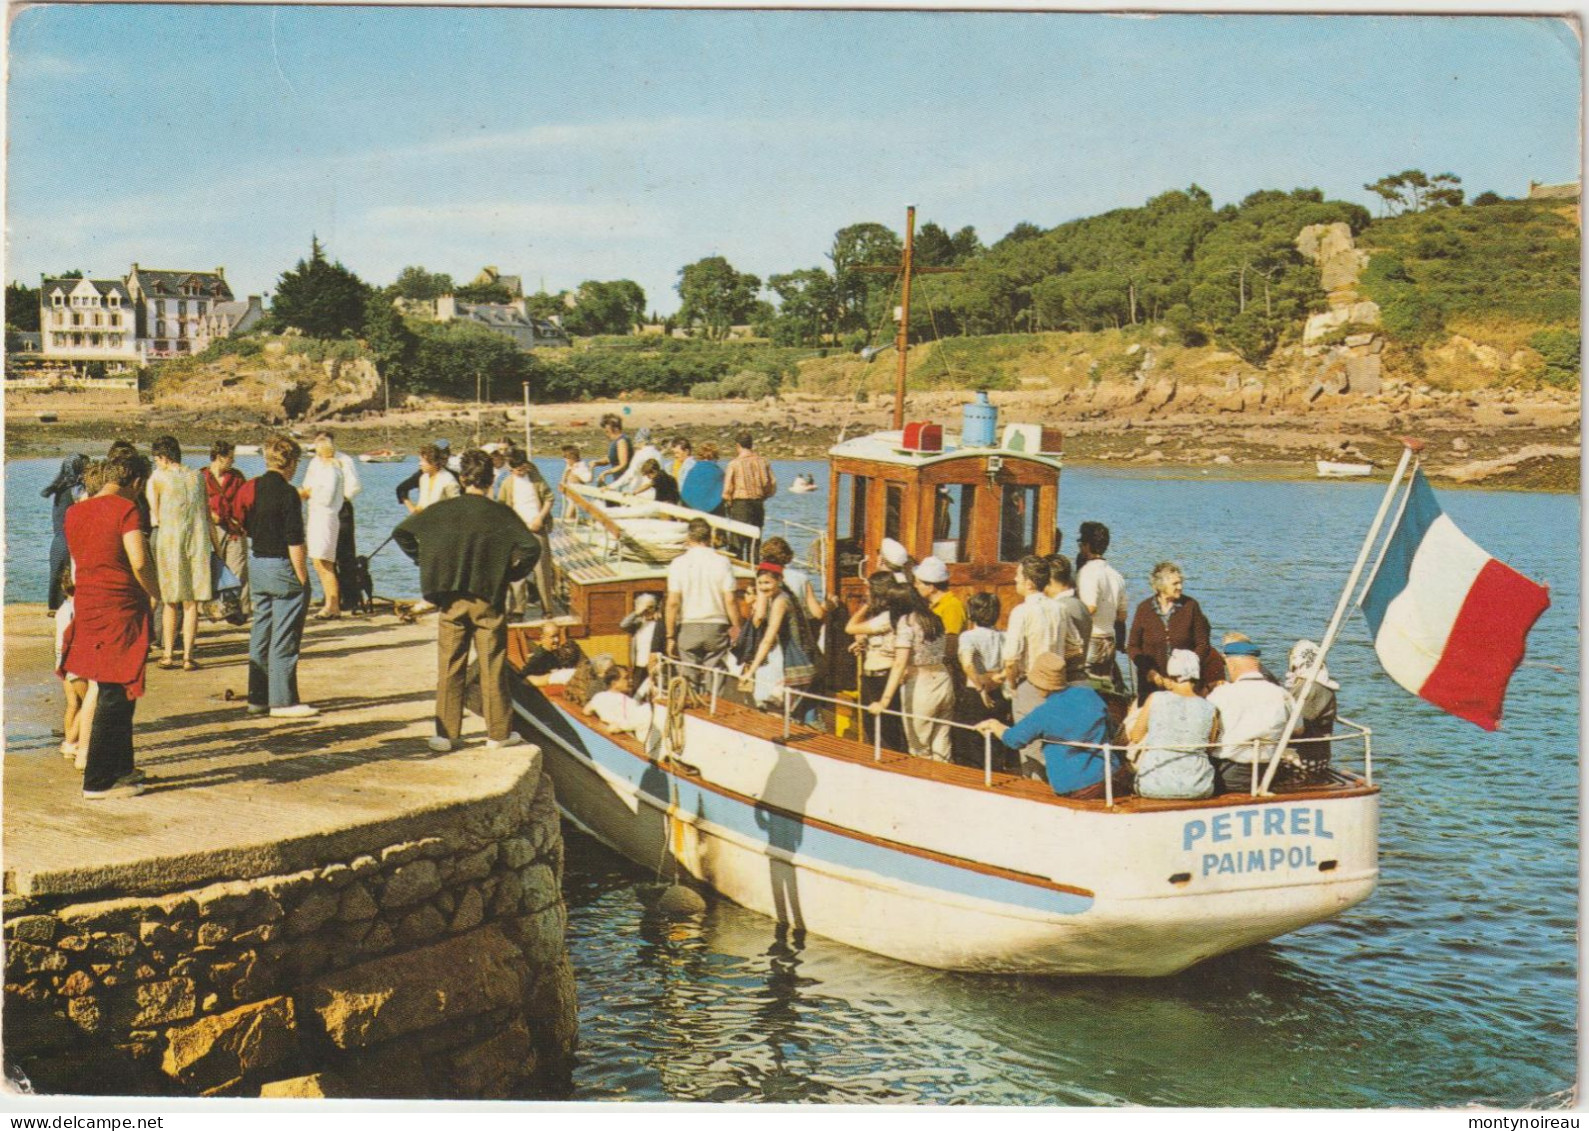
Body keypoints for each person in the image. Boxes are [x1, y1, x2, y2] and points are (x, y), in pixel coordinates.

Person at [394, 448, 541, 753]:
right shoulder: (501, 513)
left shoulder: (443, 510)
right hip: (488, 598)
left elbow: (403, 533)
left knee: (449, 666)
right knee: (493, 665)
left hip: (452, 599)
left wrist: (426, 561)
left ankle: (445, 735)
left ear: (462, 478)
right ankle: (498, 734)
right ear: (490, 480)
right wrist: (510, 574)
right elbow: (530, 547)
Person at [61, 451, 159, 799]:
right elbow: (138, 560)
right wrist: (156, 592)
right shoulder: (126, 509)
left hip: (88, 606)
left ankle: (122, 769)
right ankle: (99, 781)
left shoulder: (74, 512)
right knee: (117, 690)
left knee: (113, 687)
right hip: (121, 607)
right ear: (136, 482)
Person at [245, 435, 317, 719]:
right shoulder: (289, 493)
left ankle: (257, 698)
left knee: (261, 633)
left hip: (257, 564)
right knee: (284, 637)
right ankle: (283, 701)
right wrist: (303, 577)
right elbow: (294, 540)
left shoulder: (254, 487)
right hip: (281, 566)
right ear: (290, 462)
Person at [977, 652, 1113, 792]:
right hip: (1107, 776)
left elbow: (1014, 740)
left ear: (1037, 684)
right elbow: (1110, 729)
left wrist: (994, 724)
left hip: (1075, 787)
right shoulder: (1089, 694)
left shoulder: (1044, 712)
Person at [148, 436, 216, 670]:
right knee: (191, 603)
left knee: (170, 602)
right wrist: (217, 548)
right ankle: (188, 656)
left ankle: (168, 654)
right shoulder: (198, 477)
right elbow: (208, 515)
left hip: (170, 543)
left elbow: (154, 516)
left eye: (157, 459)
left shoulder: (158, 477)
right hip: (198, 543)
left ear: (164, 458)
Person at [867, 582, 952, 762]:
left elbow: (899, 663)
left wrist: (884, 701)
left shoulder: (906, 623)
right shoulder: (935, 618)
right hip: (943, 679)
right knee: (941, 744)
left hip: (921, 685)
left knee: (919, 747)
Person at [1126, 561, 1224, 704]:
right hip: (1151, 684)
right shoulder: (1144, 609)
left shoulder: (1191, 606)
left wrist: (1188, 671)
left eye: (1181, 583)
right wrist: (1149, 672)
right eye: (1175, 584)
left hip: (1185, 685)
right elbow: (1133, 646)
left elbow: (1203, 644)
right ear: (1161, 586)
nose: (1180, 587)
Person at [1205, 639, 1294, 795]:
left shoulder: (1221, 695)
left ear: (1231, 664)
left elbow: (1206, 732)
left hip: (1227, 774)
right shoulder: (1282, 694)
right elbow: (1298, 729)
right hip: (1269, 772)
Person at [1126, 649, 1218, 799]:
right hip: (1199, 786)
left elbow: (1135, 736)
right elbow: (1210, 746)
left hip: (1153, 784)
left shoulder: (1156, 698)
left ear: (1171, 674)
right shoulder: (1210, 708)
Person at [665, 517, 743, 691]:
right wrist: (737, 628)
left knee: (687, 676)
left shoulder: (678, 563)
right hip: (716, 627)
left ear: (688, 538)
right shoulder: (723, 562)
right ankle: (714, 709)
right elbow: (730, 600)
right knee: (715, 674)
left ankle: (690, 708)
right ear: (710, 537)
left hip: (688, 627)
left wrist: (670, 636)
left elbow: (672, 603)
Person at [999, 556, 1063, 767]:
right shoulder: (1059, 608)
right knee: (1053, 743)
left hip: (1030, 683)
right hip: (1056, 684)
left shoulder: (1021, 612)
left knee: (1030, 750)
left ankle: (1033, 788)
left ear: (1029, 583)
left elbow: (1010, 660)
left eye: (1018, 576)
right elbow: (1075, 646)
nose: (1015, 579)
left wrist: (1011, 685)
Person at [738, 562, 819, 711]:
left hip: (796, 664)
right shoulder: (782, 596)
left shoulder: (780, 602)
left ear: (779, 580)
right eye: (760, 583)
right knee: (785, 711)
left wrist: (751, 671)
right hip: (800, 661)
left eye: (767, 583)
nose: (763, 587)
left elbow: (768, 639)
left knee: (776, 711)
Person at [847, 571, 905, 753]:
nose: (866, 593)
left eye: (869, 590)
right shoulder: (884, 616)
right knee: (873, 728)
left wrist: (864, 607)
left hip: (882, 678)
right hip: (872, 677)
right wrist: (863, 641)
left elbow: (850, 627)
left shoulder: (887, 617)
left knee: (885, 731)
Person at [953, 591, 1009, 767]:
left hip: (976, 693)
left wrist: (981, 689)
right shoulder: (1003, 636)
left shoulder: (969, 637)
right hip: (998, 690)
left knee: (972, 742)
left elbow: (968, 665)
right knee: (995, 741)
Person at [500, 451, 557, 616]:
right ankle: (517, 610)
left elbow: (549, 498)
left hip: (537, 528)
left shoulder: (536, 478)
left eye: (523, 467)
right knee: (517, 572)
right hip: (518, 531)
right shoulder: (507, 484)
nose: (522, 471)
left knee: (542, 571)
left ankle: (547, 608)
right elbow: (502, 507)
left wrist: (540, 518)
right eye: (518, 469)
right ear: (511, 469)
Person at [299, 432, 347, 621]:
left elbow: (325, 498)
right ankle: (330, 602)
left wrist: (309, 492)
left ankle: (333, 605)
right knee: (319, 562)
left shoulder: (333, 470)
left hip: (325, 517)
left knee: (324, 562)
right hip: (316, 515)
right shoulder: (321, 468)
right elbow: (308, 486)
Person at [203, 440, 251, 621]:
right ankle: (213, 609)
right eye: (230, 457)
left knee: (238, 569)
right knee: (212, 570)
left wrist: (244, 524)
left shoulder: (237, 477)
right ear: (219, 457)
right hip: (210, 528)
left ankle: (239, 612)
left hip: (233, 529)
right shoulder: (202, 477)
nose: (233, 461)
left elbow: (246, 502)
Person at [1076, 522, 1126, 687]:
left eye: (1081, 544)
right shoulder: (1116, 575)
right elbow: (1122, 615)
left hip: (1092, 639)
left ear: (1087, 545)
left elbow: (1090, 608)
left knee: (1084, 688)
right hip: (1109, 639)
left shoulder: (1088, 572)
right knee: (1104, 688)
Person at [1285, 638, 1339, 781]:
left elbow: (1297, 727)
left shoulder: (1310, 688)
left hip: (1306, 758)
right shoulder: (1320, 684)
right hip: (1316, 753)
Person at [42, 453, 88, 612]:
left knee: (57, 578)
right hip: (70, 541)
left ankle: (54, 609)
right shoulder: (77, 490)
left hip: (58, 541)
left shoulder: (58, 489)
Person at [54, 565, 90, 762]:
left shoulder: (62, 609)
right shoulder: (76, 610)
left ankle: (70, 743)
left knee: (72, 704)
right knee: (88, 703)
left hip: (63, 662)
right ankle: (71, 740)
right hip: (75, 663)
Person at [722, 432, 776, 560]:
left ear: (738, 445)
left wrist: (728, 503)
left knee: (737, 541)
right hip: (758, 503)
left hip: (740, 504)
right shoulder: (763, 462)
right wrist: (764, 496)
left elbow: (727, 490)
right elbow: (772, 484)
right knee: (755, 541)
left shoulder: (734, 464)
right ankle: (754, 569)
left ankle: (739, 570)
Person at [1044, 553, 1092, 681]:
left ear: (1049, 580)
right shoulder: (1080, 605)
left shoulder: (1059, 608)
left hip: (1063, 678)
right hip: (1078, 676)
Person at [761, 536, 828, 623]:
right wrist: (828, 606)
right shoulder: (801, 578)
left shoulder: (762, 579)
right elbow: (818, 614)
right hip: (795, 628)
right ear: (788, 556)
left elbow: (760, 614)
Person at [585, 665, 652, 735]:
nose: (630, 680)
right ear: (614, 683)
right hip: (621, 737)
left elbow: (586, 711)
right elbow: (634, 724)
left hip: (604, 732)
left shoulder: (598, 697)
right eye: (626, 678)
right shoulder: (629, 702)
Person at [522, 621, 585, 687]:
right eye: (553, 637)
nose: (557, 640)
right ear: (542, 638)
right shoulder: (538, 658)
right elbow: (523, 679)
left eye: (558, 636)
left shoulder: (556, 652)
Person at [403, 443, 460, 514]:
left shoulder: (448, 481)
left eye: (423, 461)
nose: (420, 464)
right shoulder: (423, 478)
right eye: (420, 460)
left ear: (434, 462)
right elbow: (421, 505)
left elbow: (457, 508)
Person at [395, 439, 452, 510]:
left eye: (447, 455)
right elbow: (401, 489)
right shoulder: (422, 475)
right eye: (443, 456)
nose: (445, 458)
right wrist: (413, 511)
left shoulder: (451, 475)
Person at [619, 594, 663, 672]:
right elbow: (623, 625)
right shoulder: (638, 624)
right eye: (646, 607)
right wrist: (637, 613)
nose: (648, 610)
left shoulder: (659, 623)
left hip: (655, 665)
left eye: (651, 607)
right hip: (639, 666)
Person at [680, 441, 725, 515]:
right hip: (712, 511)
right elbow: (722, 493)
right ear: (716, 456)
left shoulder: (693, 470)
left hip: (689, 508)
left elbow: (686, 491)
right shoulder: (718, 472)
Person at [614, 428, 664, 495]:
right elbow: (661, 475)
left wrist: (612, 486)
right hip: (656, 494)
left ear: (641, 441)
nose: (636, 444)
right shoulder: (658, 454)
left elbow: (629, 475)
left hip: (639, 494)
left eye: (637, 442)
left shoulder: (640, 454)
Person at [590, 414, 633, 487]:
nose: (606, 434)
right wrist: (597, 462)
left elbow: (623, 464)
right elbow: (610, 459)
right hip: (618, 481)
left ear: (616, 429)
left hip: (626, 482)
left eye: (607, 431)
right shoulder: (615, 441)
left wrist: (605, 473)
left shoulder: (621, 441)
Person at [559, 444, 593, 520]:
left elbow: (588, 479)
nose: (565, 460)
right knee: (570, 515)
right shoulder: (570, 466)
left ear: (572, 458)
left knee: (568, 516)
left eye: (566, 458)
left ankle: (571, 523)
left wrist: (591, 468)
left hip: (575, 498)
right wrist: (566, 472)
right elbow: (562, 482)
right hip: (570, 496)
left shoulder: (579, 467)